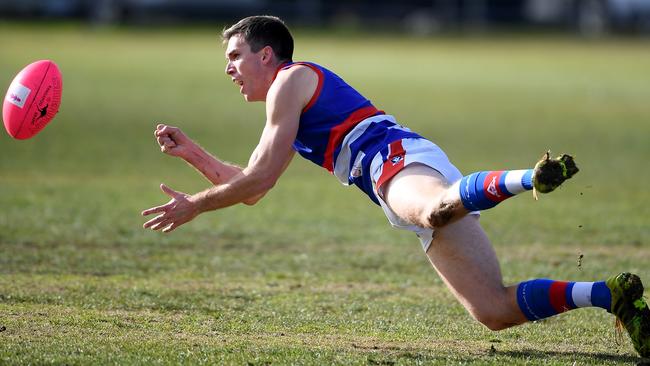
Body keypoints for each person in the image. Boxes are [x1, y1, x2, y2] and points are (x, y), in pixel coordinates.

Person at [142, 15, 649, 357]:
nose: (229, 69)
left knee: (431, 211)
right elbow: (252, 188)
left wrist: (196, 207)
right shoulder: (287, 98)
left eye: (234, 56)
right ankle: (610, 294)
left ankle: (529, 177)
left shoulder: (289, 81)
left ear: (268, 55)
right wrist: (194, 154)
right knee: (492, 311)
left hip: (393, 160)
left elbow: (259, 178)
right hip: (393, 170)